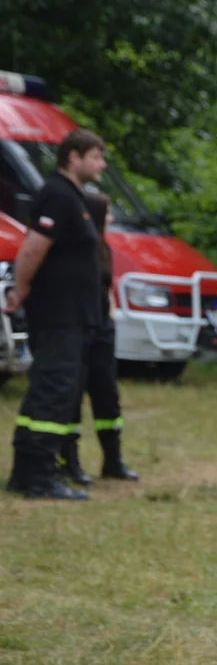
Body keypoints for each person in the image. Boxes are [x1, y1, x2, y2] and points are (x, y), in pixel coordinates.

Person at [5, 128, 107, 500]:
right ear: (73, 157)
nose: (102, 165)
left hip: (74, 315)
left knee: (58, 389)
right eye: (96, 157)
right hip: (57, 314)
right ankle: (35, 474)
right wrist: (21, 289)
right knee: (52, 389)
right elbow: (32, 249)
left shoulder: (74, 198)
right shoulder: (57, 196)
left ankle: (32, 469)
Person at [59, 191, 139, 484]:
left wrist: (111, 316)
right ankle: (69, 462)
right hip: (81, 328)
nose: (112, 218)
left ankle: (113, 461)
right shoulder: (80, 249)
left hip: (103, 327)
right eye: (106, 213)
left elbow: (106, 287)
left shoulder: (103, 247)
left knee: (107, 395)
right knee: (73, 396)